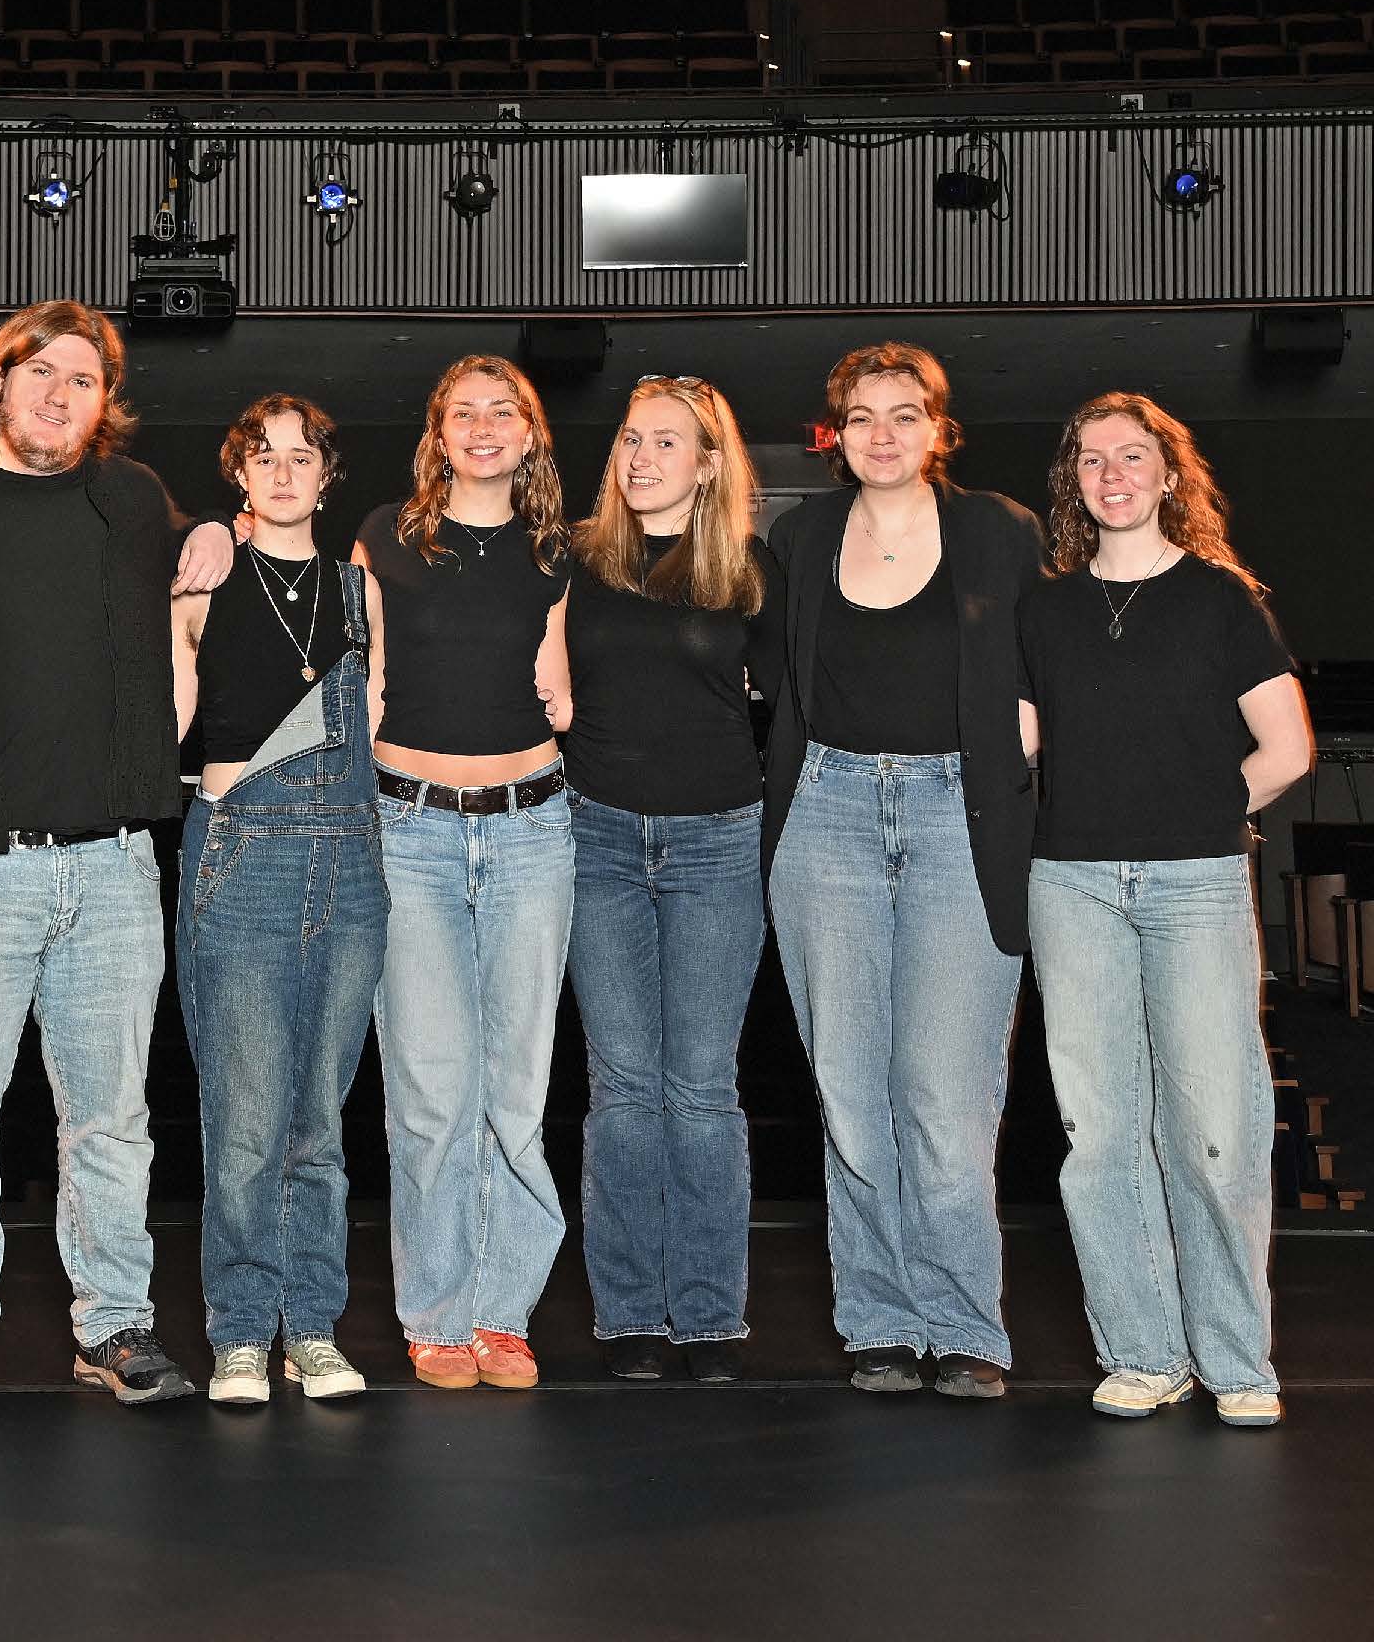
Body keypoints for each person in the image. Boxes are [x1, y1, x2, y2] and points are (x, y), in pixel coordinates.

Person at [0, 300, 234, 1418]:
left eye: (82, 378)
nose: (58, 392)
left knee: (113, 1119)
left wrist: (214, 533)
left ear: (103, 401)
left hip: (113, 865)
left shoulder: (132, 498)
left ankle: (115, 1323)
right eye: (38, 371)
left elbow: (201, 549)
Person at [1020, 392, 1313, 1430]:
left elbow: (1287, 748)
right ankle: (1142, 1353)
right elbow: (1017, 745)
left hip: (1194, 886)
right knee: (1099, 1131)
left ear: (1168, 474)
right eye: (1092, 459)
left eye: (1132, 456)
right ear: (1074, 482)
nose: (1113, 474)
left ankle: (1235, 1358)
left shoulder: (1221, 599)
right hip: (1071, 887)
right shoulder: (1044, 609)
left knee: (1214, 1129)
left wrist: (1201, 811)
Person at [763, 342, 1044, 1401]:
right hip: (826, 812)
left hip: (956, 814)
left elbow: (1045, 654)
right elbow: (769, 671)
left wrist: (1021, 736)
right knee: (849, 1090)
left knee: (946, 1093)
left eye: (905, 414)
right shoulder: (799, 537)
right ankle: (879, 1320)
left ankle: (963, 1322)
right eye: (862, 416)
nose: (883, 434)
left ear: (938, 429)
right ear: (835, 434)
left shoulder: (998, 529)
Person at [536, 376, 784, 1385]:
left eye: (665, 442)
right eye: (631, 439)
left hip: (719, 842)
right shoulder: (573, 561)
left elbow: (800, 695)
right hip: (595, 836)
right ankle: (633, 1312)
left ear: (709, 463)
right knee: (624, 1086)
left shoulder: (749, 571)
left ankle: (711, 1315)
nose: (640, 457)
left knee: (702, 1087)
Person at [356, 353, 572, 1393]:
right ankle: (438, 1312)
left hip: (533, 829)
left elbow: (558, 686)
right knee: (432, 1090)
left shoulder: (559, 551)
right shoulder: (384, 536)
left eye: (502, 411)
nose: (483, 427)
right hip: (410, 830)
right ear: (437, 434)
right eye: (462, 413)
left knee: (516, 1092)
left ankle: (502, 1312)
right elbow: (366, 682)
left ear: (530, 433)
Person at [172, 395, 385, 1408]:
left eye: (302, 456)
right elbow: (165, 720)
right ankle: (242, 1332)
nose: (284, 470)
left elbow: (378, 725)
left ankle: (313, 1327)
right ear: (240, 476)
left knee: (319, 1126)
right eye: (264, 456)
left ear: (327, 475)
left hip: (350, 859)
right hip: (242, 854)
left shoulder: (360, 591)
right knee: (247, 1122)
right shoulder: (200, 583)